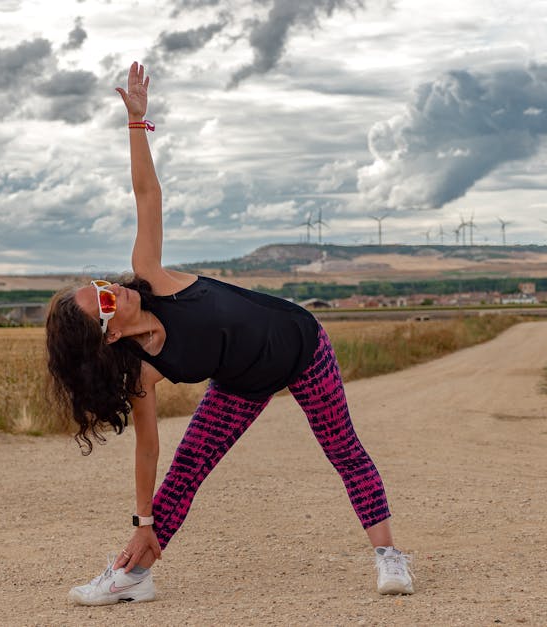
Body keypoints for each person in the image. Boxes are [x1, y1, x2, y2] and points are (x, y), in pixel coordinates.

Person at [45, 61, 414, 606]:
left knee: (343, 448)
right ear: (104, 336)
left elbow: (148, 196)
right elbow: (149, 448)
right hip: (241, 383)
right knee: (187, 469)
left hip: (302, 348)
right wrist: (143, 518)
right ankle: (133, 575)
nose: (112, 289)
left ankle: (389, 557)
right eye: (102, 300)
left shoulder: (151, 277)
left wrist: (137, 125)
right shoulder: (142, 370)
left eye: (101, 284)